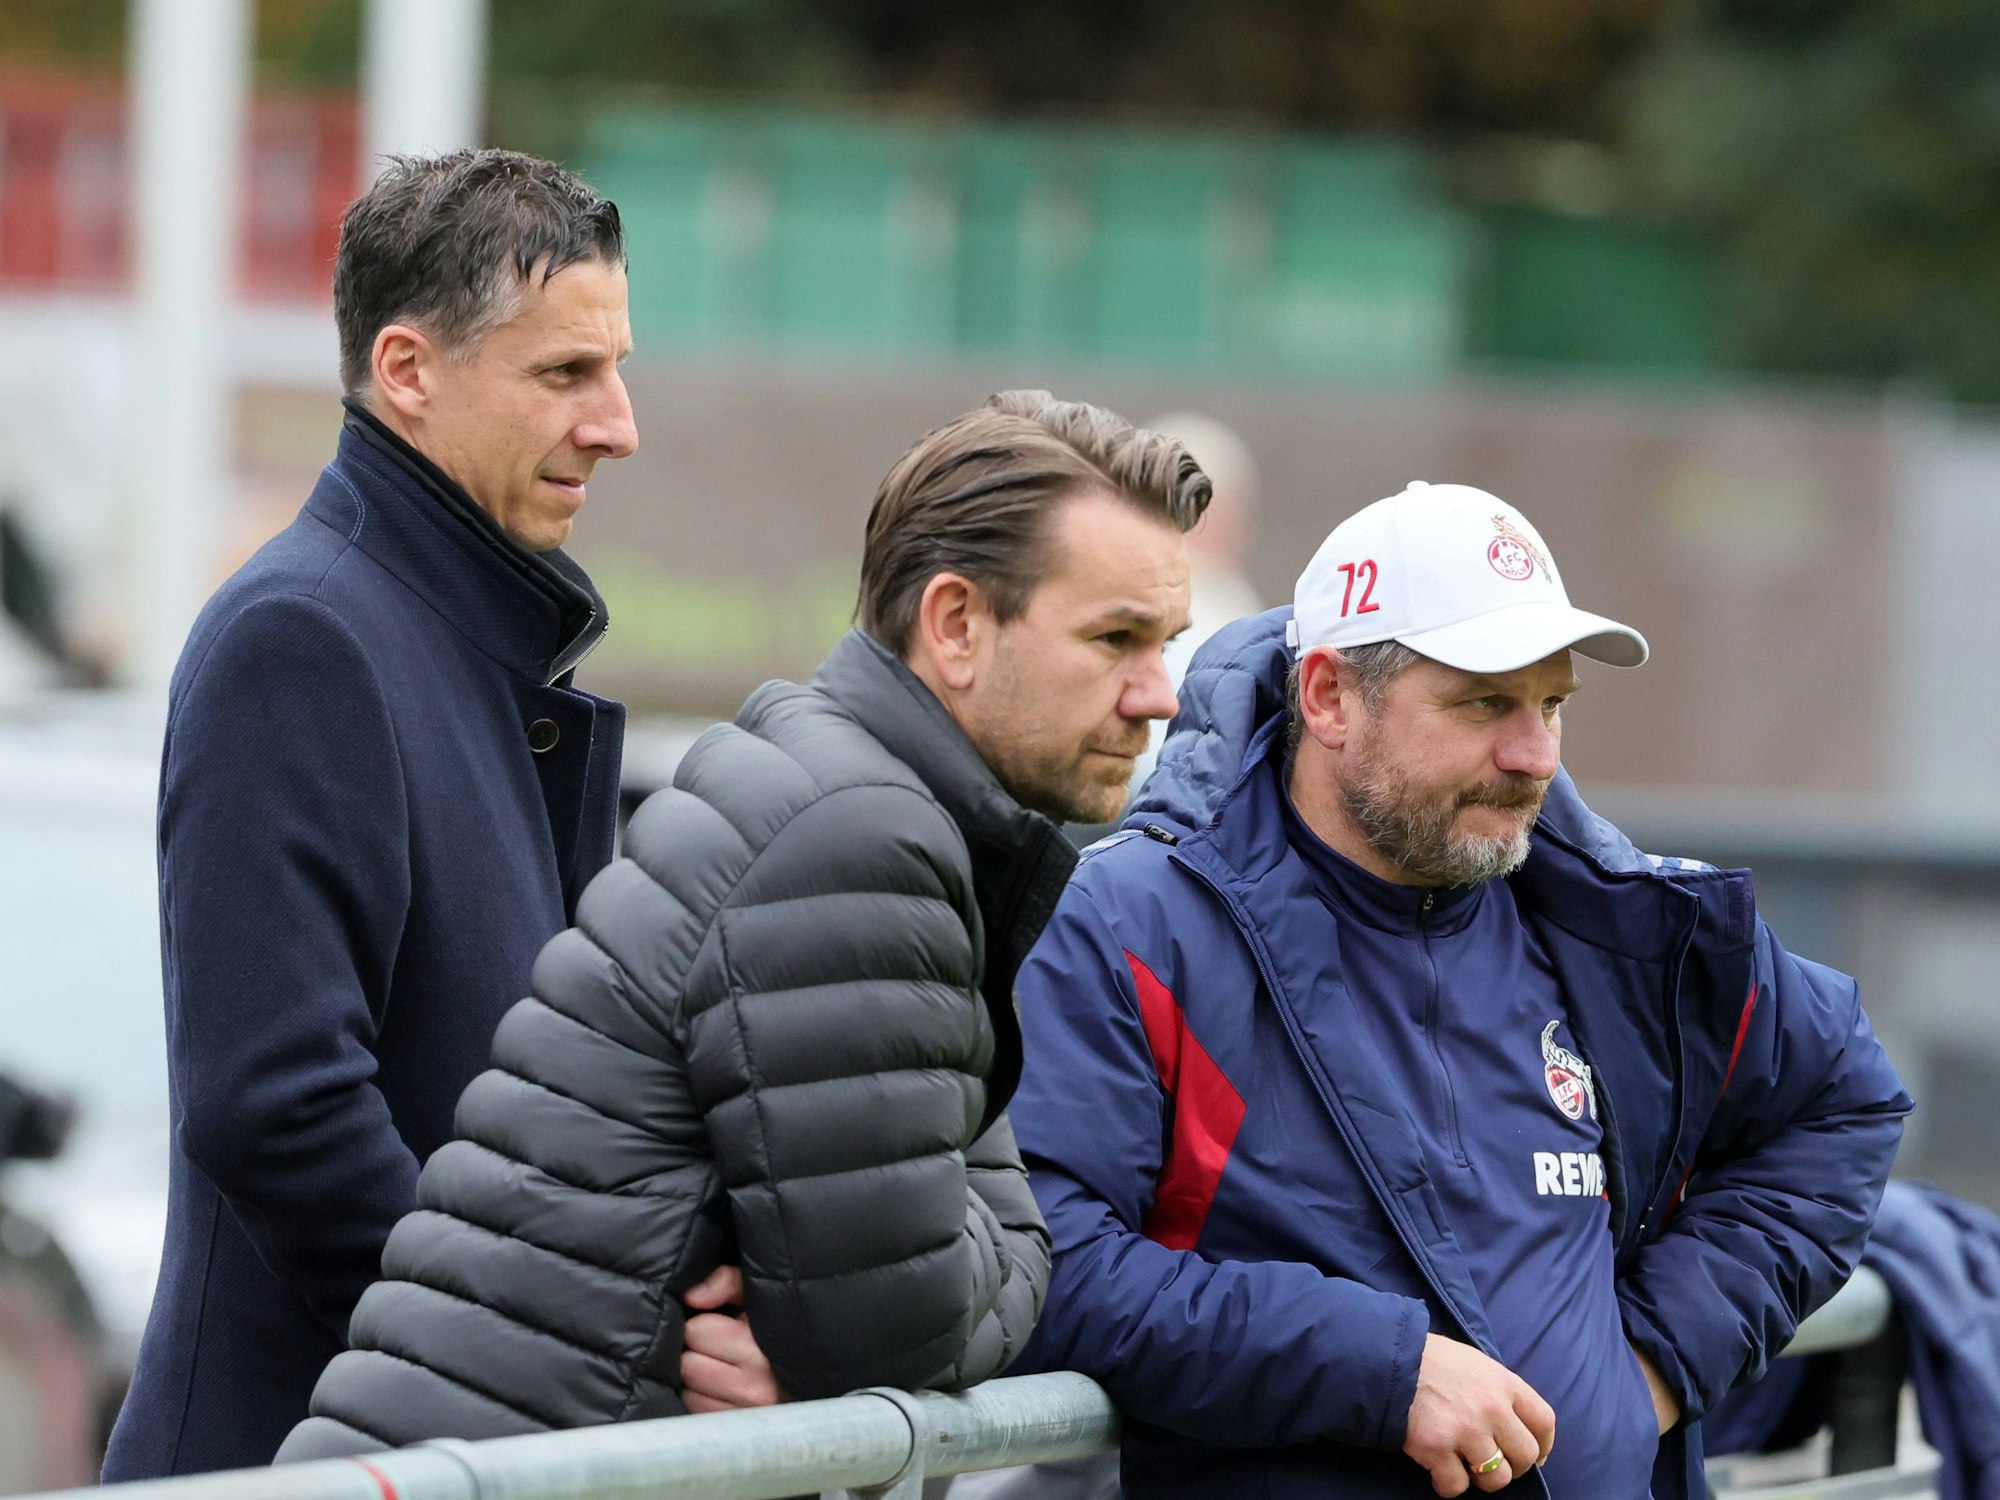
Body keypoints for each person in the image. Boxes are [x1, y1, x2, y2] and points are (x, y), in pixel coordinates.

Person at [273, 390, 1209, 1458]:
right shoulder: (859, 837)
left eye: (1166, 642)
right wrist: (990, 1273)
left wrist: (838, 1346)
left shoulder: (836, 784)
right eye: (1116, 638)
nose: (1158, 695)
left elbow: (899, 1287)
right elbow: (911, 1321)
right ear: (953, 624)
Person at [1006, 481, 1912, 1500]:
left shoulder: (1612, 919)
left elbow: (1844, 1101)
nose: (1532, 755)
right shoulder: (1138, 924)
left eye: (1551, 704)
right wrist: (1379, 1370)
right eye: (1484, 702)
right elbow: (1043, 1261)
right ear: (1327, 697)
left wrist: (1658, 1355)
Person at [102, 150, 637, 1479]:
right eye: (566, 374)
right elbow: (279, 1107)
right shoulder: (305, 635)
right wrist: (529, 1380)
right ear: (408, 372)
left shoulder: (448, 640)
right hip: (313, 1459)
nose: (619, 423)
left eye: (617, 370)